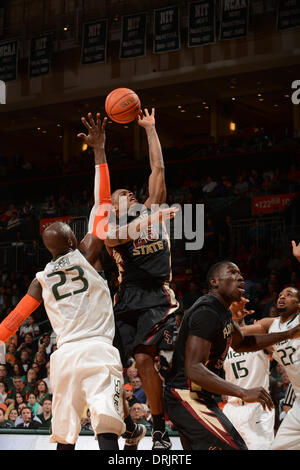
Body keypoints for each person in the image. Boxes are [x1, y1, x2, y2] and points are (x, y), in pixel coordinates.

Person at [0, 112, 141, 451]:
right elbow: (104, 202)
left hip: (63, 358)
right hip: (97, 349)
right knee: (106, 426)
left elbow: (13, 322)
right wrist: (99, 151)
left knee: (65, 436)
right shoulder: (88, 251)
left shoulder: (41, 279)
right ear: (72, 241)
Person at [164, 260, 300, 450]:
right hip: (185, 396)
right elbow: (193, 369)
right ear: (214, 282)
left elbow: (242, 343)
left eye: (241, 274)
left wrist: (287, 334)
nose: (240, 277)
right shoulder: (207, 311)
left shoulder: (222, 313)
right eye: (232, 273)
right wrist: (243, 391)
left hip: (199, 397)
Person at [105, 108, 179, 450]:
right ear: (112, 207)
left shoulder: (151, 208)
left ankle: (160, 430)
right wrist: (152, 218)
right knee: (111, 367)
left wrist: (150, 129)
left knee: (146, 361)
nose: (130, 196)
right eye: (122, 195)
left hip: (155, 295)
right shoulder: (112, 230)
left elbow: (158, 169)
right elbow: (119, 237)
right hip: (126, 297)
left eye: (131, 194)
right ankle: (130, 426)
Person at [234, 242, 300, 450]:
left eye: (289, 295)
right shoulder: (268, 325)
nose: (282, 296)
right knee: (277, 447)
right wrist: (233, 319)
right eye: (281, 294)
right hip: (299, 401)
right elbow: (236, 335)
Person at [222, 300, 275, 449]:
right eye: (232, 304)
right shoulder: (224, 343)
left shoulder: (258, 337)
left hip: (258, 408)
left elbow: (278, 329)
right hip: (231, 409)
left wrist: (262, 328)